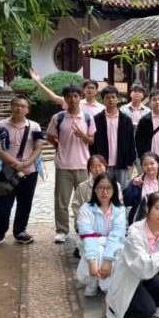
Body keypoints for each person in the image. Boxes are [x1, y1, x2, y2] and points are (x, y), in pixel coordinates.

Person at [0, 95, 44, 248]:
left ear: (28, 110)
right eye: (16, 105)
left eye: (23, 106)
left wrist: (25, 164)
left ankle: (20, 232)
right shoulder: (0, 126)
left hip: (29, 172)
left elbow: (38, 148)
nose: (19, 108)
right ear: (11, 107)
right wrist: (16, 164)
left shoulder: (35, 127)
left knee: (25, 204)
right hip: (6, 172)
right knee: (3, 204)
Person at [47, 85, 96, 244]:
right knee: (61, 201)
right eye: (69, 96)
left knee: (83, 201)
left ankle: (81, 227)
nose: (72, 99)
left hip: (83, 165)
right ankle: (61, 230)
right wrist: (59, 146)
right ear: (65, 98)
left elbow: (92, 141)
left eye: (75, 96)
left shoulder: (88, 118)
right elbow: (50, 137)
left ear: (80, 97)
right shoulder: (58, 118)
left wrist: (83, 136)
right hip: (63, 166)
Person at [77, 172, 127, 297]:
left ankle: (107, 284)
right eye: (100, 187)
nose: (104, 192)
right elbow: (88, 236)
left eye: (109, 188)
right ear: (95, 189)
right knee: (97, 249)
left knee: (116, 250)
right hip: (91, 246)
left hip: (113, 244)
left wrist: (108, 260)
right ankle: (92, 282)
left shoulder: (119, 209)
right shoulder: (86, 209)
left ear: (114, 190)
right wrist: (91, 262)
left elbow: (116, 236)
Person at [71, 155, 123, 259]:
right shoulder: (82, 187)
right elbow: (77, 208)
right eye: (93, 167)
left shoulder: (116, 186)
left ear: (106, 166)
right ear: (89, 170)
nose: (97, 169)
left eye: (100, 165)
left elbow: (119, 205)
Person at [90, 86, 136, 191]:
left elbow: (131, 142)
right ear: (103, 100)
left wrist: (130, 162)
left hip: (121, 162)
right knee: (103, 191)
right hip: (102, 163)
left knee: (121, 191)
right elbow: (92, 143)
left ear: (117, 99)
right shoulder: (96, 119)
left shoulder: (126, 120)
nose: (110, 100)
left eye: (113, 97)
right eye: (107, 98)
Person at [29, 70, 105, 116]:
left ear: (96, 91)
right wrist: (38, 82)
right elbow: (53, 96)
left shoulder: (102, 108)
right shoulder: (75, 102)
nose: (90, 90)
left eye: (93, 88)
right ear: (84, 90)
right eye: (88, 88)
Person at [121, 84, 151, 176]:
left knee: (144, 174)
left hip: (141, 145)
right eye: (135, 91)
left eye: (140, 92)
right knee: (126, 175)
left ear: (143, 95)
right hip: (128, 145)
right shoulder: (123, 109)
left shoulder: (147, 111)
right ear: (130, 94)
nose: (137, 94)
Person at [124, 152, 159, 225]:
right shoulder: (137, 181)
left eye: (152, 163)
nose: (149, 167)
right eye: (145, 164)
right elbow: (126, 201)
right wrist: (133, 186)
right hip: (140, 220)